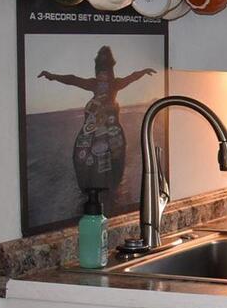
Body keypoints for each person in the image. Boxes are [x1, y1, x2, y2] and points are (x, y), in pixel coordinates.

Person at [38, 45, 155, 201]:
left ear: (111, 71)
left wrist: (143, 72)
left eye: (105, 71)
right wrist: (52, 76)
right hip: (92, 130)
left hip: (112, 129)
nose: (102, 75)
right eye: (100, 71)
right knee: (84, 154)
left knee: (115, 153)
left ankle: (111, 184)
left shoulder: (116, 84)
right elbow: (72, 79)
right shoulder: (93, 84)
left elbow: (131, 77)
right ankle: (89, 183)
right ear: (96, 71)